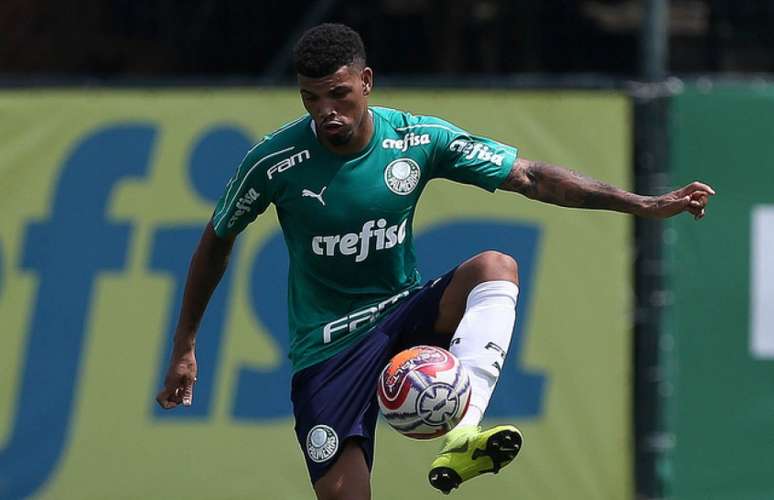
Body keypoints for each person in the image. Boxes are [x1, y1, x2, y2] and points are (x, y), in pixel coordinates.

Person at [156, 23, 714, 500]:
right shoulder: (275, 162)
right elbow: (216, 239)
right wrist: (185, 344)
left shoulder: (416, 139)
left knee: (496, 266)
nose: (326, 112)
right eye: (311, 99)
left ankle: (465, 432)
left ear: (366, 82)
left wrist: (641, 203)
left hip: (404, 313)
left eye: (339, 94)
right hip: (327, 347)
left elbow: (532, 177)